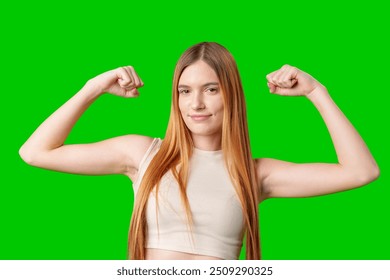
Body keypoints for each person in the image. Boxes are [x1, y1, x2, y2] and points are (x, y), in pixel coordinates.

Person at [19, 42, 380, 260]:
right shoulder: (143, 154)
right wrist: (92, 88)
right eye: (185, 90)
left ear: (231, 95)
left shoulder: (255, 175)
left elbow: (362, 171)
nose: (196, 104)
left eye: (211, 89)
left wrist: (318, 93)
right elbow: (36, 152)